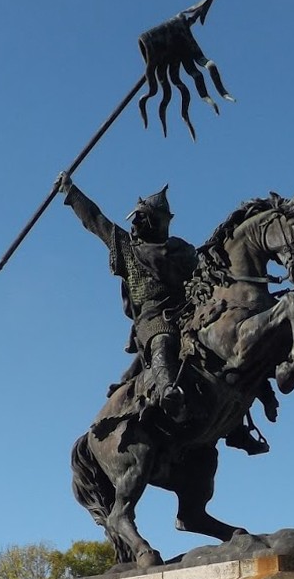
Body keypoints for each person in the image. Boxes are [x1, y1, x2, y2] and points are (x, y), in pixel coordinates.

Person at [57, 172, 195, 421]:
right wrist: (70, 191)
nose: (135, 225)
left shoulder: (182, 251)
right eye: (136, 220)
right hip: (153, 317)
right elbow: (95, 219)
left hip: (186, 310)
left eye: (141, 219)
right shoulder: (128, 248)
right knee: (162, 339)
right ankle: (168, 391)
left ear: (157, 222)